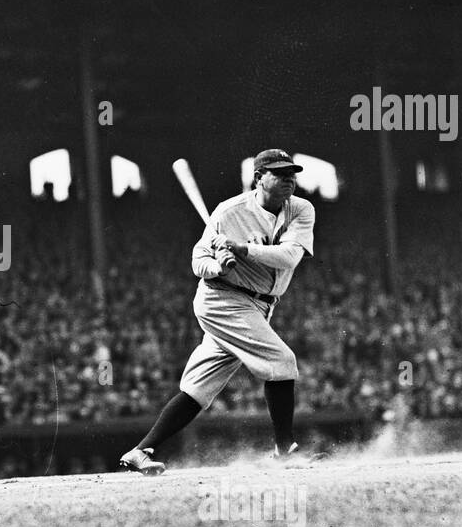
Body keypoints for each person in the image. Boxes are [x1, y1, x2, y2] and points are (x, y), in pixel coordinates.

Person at [121, 149, 319, 475]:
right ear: (259, 178)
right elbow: (198, 260)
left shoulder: (300, 209)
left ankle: (140, 450)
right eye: (279, 173)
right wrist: (218, 265)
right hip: (222, 300)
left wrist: (242, 249)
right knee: (282, 362)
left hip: (259, 304)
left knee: (198, 389)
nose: (289, 180)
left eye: (291, 174)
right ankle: (285, 450)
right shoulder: (228, 213)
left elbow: (289, 257)